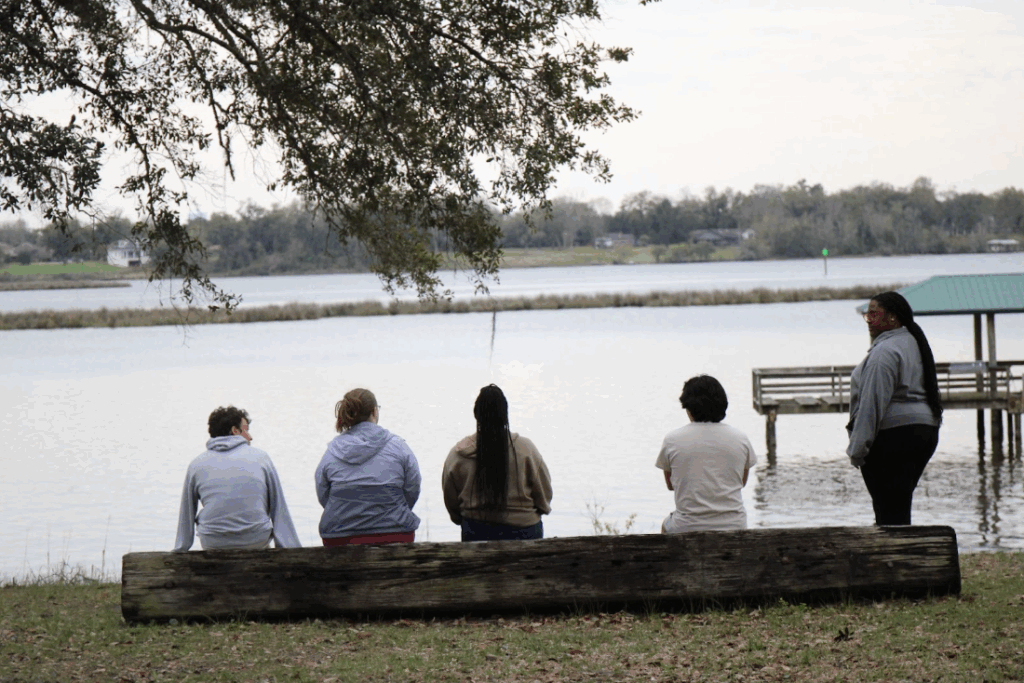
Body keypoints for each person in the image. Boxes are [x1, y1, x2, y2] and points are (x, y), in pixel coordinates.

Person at [847, 291, 942, 525]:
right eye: (867, 315)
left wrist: (857, 449)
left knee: (887, 512)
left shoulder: (884, 353)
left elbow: (871, 404)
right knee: (899, 507)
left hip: (893, 437)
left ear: (892, 317)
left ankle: (892, 549)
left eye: (874, 314)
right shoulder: (914, 342)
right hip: (925, 432)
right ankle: (901, 547)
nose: (868, 320)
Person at [174, 406, 301, 551]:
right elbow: (278, 505)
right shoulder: (261, 458)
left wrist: (181, 548)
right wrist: (290, 548)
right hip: (255, 539)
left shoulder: (196, 464)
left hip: (213, 542)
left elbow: (186, 513)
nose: (250, 437)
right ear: (235, 431)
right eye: (246, 430)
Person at [442, 384, 553, 541]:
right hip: (525, 532)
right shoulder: (526, 449)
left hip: (476, 532)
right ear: (505, 414)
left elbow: (452, 504)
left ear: (476, 415)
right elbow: (544, 496)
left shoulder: (457, 455)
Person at [315, 388, 421, 545]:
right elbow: (412, 489)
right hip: (395, 533)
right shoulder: (400, 448)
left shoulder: (331, 453)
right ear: (374, 411)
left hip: (340, 537)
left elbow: (324, 495)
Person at [656, 375, 757, 533]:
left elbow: (671, 485)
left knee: (666, 525)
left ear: (688, 408)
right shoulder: (741, 439)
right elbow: (741, 482)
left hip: (687, 526)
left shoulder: (672, 440)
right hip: (734, 526)